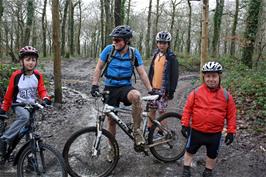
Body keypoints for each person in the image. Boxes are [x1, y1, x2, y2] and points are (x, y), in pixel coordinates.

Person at [90, 25, 153, 149]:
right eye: (113, 40)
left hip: (125, 87)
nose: (115, 42)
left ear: (126, 41)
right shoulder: (109, 50)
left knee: (136, 96)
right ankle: (112, 149)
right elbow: (99, 67)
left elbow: (142, 73)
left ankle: (137, 131)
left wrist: (150, 89)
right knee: (111, 121)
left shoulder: (134, 53)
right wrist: (94, 85)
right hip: (110, 87)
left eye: (118, 40)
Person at [180, 61, 237, 177]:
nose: (211, 79)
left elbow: (232, 115)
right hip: (196, 131)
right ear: (204, 77)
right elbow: (187, 109)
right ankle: (186, 168)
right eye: (208, 76)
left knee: (212, 155)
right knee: (189, 150)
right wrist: (185, 124)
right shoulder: (196, 92)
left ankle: (208, 171)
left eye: (214, 76)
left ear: (219, 77)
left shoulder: (226, 96)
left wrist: (231, 132)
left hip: (214, 133)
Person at [0, 46, 51, 158]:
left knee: (30, 131)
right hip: (18, 104)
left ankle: (30, 160)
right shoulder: (16, 76)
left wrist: (46, 98)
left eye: (33, 60)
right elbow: (9, 94)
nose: (31, 62)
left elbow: (42, 89)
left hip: (31, 105)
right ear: (21, 61)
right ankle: (4, 139)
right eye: (27, 59)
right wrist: (4, 108)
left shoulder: (37, 75)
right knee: (24, 117)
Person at [147, 31, 179, 130]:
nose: (162, 45)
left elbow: (175, 76)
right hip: (153, 88)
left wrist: (171, 91)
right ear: (157, 43)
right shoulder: (156, 55)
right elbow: (151, 71)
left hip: (163, 89)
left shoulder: (171, 57)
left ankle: (163, 131)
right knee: (151, 109)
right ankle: (150, 129)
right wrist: (148, 84)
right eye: (160, 42)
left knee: (161, 111)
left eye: (164, 43)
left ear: (168, 44)